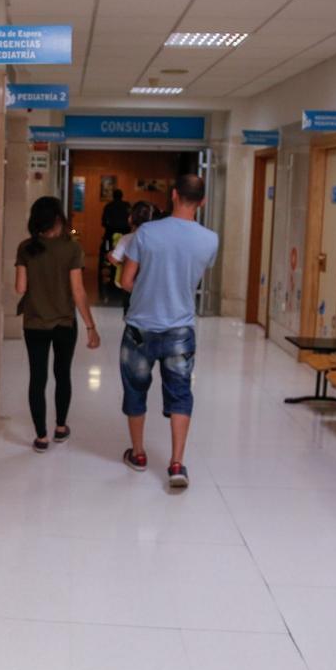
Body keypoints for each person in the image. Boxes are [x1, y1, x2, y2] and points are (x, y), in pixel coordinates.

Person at [119, 174, 219, 487]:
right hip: (180, 329)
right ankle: (177, 464)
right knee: (180, 394)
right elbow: (194, 276)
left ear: (173, 194)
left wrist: (147, 287)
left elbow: (125, 281)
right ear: (202, 201)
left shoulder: (146, 232)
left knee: (136, 390)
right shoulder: (210, 239)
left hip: (140, 328)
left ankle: (138, 454)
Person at [16, 196, 101, 452]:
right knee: (62, 375)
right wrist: (90, 326)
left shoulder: (25, 247)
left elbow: (20, 288)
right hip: (64, 323)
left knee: (37, 377)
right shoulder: (71, 248)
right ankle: (61, 428)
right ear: (58, 219)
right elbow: (78, 291)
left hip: (34, 323)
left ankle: (41, 437)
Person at [107, 201, 156, 316]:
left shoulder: (126, 239)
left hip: (130, 286)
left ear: (130, 219)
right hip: (150, 287)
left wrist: (109, 255)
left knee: (130, 316)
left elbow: (114, 259)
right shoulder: (155, 238)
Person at [100, 189, 131, 301]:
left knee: (108, 259)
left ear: (113, 196)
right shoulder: (126, 206)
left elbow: (103, 222)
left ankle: (109, 283)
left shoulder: (109, 206)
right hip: (125, 234)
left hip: (110, 234)